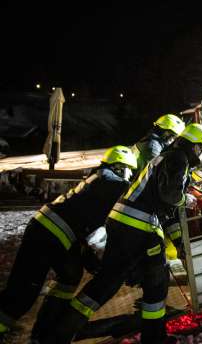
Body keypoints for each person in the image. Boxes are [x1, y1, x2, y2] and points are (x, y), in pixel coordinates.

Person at [47, 124, 202, 344]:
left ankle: (60, 333)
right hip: (140, 226)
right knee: (157, 282)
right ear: (195, 146)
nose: (201, 154)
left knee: (107, 283)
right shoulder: (178, 159)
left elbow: (168, 213)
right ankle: (153, 338)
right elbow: (170, 197)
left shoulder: (167, 157)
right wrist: (185, 199)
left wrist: (180, 242)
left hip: (123, 222)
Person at [0, 146, 137, 340]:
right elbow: (123, 192)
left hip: (54, 234)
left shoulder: (99, 178)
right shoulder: (109, 180)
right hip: (46, 234)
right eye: (129, 171)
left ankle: (48, 324)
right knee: (23, 292)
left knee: (71, 275)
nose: (129, 176)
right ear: (120, 167)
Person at [132, 114, 185, 178]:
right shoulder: (154, 147)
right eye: (173, 135)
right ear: (163, 130)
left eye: (175, 137)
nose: (173, 139)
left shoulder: (152, 140)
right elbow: (158, 171)